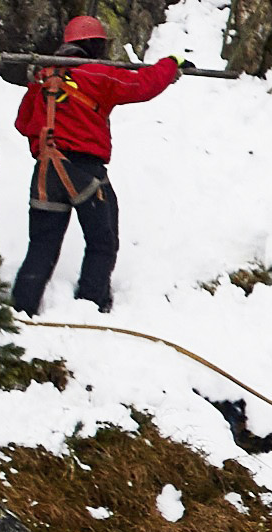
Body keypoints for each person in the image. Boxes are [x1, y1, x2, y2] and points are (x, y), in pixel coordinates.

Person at [11, 17, 180, 315]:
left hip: (45, 173)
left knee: (42, 246)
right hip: (83, 170)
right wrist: (171, 64)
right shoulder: (97, 74)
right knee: (103, 242)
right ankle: (90, 306)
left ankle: (21, 311)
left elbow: (23, 122)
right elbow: (143, 83)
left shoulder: (41, 79)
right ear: (93, 46)